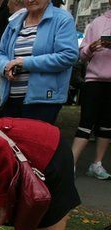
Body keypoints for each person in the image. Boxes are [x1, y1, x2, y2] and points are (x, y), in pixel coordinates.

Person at [0, 0, 77, 124]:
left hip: (43, 101)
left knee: (34, 141)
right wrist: (5, 66)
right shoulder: (16, 21)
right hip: (11, 98)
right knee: (11, 142)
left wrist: (26, 63)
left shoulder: (62, 19)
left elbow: (68, 56)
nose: (30, 0)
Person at [71, 5, 111, 179]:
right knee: (85, 123)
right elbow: (82, 55)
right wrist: (91, 48)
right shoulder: (98, 22)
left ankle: (97, 164)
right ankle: (70, 163)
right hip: (94, 81)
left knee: (107, 125)